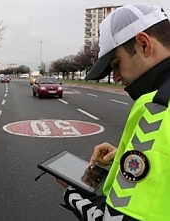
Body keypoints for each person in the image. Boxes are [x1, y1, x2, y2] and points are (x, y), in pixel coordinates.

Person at [57, 3, 170, 220]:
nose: (116, 77)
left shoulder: (158, 108)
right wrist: (126, 158)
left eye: (117, 64)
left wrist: (72, 193)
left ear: (144, 44)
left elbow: (115, 218)